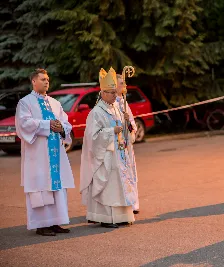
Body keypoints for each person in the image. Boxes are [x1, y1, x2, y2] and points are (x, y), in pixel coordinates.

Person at [15, 68, 75, 236]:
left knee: (57, 187)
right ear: (33, 81)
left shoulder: (56, 103)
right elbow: (24, 124)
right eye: (42, 79)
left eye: (47, 79)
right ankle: (42, 225)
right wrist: (47, 125)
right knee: (41, 188)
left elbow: (66, 124)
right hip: (38, 155)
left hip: (56, 153)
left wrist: (61, 128)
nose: (46, 81)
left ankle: (56, 222)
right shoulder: (25, 103)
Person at [80, 67, 138, 228]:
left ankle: (123, 215)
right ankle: (106, 218)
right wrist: (111, 131)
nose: (115, 95)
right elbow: (92, 137)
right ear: (103, 93)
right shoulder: (96, 112)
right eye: (111, 92)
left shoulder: (117, 109)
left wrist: (126, 124)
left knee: (120, 186)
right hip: (106, 156)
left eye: (115, 92)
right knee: (109, 187)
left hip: (119, 154)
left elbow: (125, 132)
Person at [116, 74, 139, 214]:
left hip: (126, 144)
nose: (124, 85)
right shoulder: (110, 103)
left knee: (131, 172)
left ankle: (133, 202)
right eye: (121, 83)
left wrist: (129, 126)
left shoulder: (124, 102)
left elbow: (131, 124)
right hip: (117, 144)